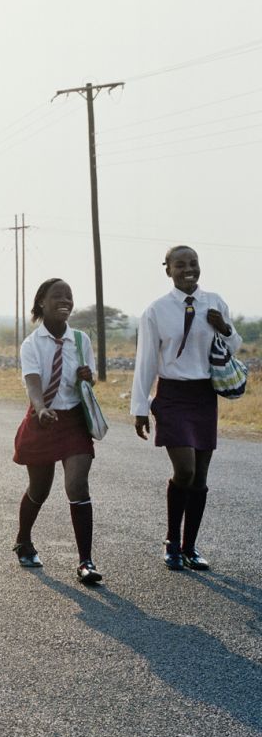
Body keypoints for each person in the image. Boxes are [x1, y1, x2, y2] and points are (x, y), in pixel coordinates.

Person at [131, 245, 242, 571]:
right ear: (168, 269)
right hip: (172, 396)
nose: (188, 269)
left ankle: (190, 547)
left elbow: (235, 345)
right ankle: (171, 541)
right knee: (186, 471)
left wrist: (224, 327)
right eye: (180, 265)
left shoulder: (215, 302)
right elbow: (145, 361)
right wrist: (140, 407)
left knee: (200, 476)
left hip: (204, 396)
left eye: (193, 263)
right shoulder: (156, 311)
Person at [12, 278, 102, 584]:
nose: (65, 301)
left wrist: (88, 377)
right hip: (43, 419)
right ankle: (24, 540)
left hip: (74, 420)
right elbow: (32, 382)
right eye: (57, 296)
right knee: (39, 489)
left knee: (77, 486)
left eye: (69, 296)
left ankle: (85, 561)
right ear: (42, 302)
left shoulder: (80, 340)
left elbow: (89, 380)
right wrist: (40, 409)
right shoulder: (31, 344)